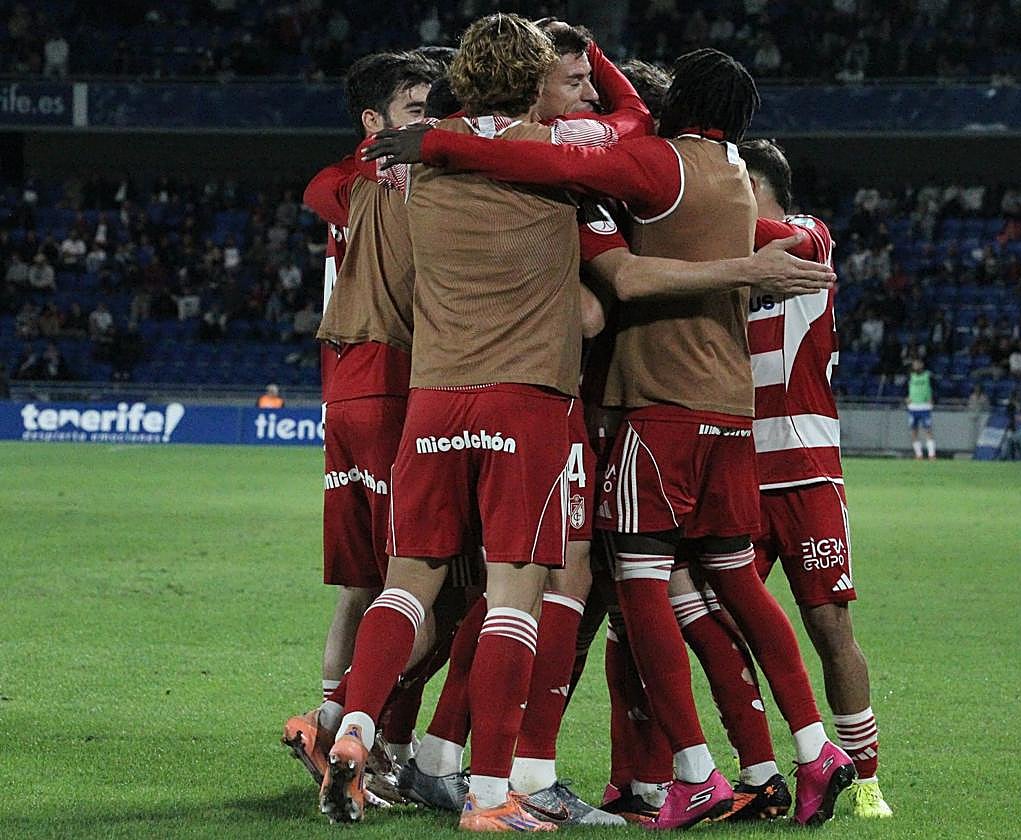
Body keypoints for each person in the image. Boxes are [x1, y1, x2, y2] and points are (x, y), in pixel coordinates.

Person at [368, 45, 856, 829]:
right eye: (577, 81)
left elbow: (610, 285)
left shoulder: (629, 177)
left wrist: (434, 143)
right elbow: (774, 235)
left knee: (549, 593)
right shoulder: (732, 180)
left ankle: (525, 765)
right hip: (714, 415)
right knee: (688, 590)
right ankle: (780, 758)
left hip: (621, 411)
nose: (591, 99)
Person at [318, 17, 631, 830]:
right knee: (513, 597)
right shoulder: (562, 159)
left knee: (409, 581)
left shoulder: (409, 164)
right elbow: (631, 128)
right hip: (522, 398)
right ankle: (491, 796)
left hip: (433, 396)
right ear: (534, 80)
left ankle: (355, 731)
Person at [282, 48, 441, 809]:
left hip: (345, 393)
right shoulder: (394, 185)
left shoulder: (343, 182)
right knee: (426, 584)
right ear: (376, 122)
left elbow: (319, 188)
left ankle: (327, 716)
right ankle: (355, 731)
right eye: (418, 112)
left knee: (362, 581)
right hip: (390, 388)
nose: (432, 127)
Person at [738, 138, 893, 819]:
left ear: (757, 186)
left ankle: (865, 779)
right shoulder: (728, 267)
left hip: (804, 473)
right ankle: (762, 770)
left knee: (829, 624)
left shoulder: (809, 238)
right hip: (735, 470)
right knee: (718, 621)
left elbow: (789, 240)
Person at [906, 358, 936, 459]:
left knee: (928, 430)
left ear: (922, 365)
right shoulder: (911, 376)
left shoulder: (928, 375)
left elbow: (936, 387)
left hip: (925, 406)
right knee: (914, 431)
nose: (916, 366)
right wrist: (906, 397)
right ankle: (919, 455)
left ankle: (932, 455)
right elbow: (905, 388)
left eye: (917, 364)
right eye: (914, 364)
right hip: (913, 407)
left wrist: (934, 398)